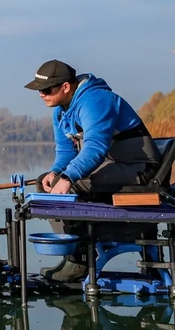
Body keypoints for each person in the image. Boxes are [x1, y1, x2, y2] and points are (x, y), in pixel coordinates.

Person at [25, 60, 161, 282]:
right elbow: (65, 151)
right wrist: (56, 172)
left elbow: (96, 148)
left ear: (66, 87)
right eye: (39, 90)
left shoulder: (96, 100)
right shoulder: (60, 111)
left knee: (73, 185)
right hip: (111, 166)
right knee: (44, 184)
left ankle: (79, 260)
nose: (42, 95)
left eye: (46, 90)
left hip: (139, 167)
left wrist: (68, 178)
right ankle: (74, 252)